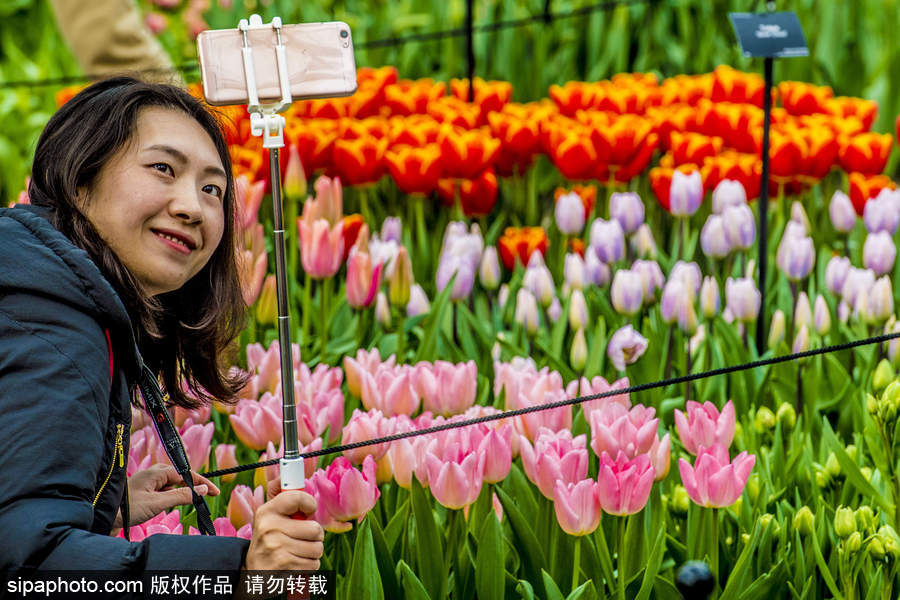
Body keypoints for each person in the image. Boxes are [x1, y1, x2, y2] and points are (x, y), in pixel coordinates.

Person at [0, 77, 323, 576]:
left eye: (213, 189)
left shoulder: (47, 289)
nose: (192, 207)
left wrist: (102, 501)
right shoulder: (53, 327)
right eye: (162, 169)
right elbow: (30, 568)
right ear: (80, 179)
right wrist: (239, 573)